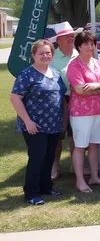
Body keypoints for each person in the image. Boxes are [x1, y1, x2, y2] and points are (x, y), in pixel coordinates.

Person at [10, 40, 66, 205]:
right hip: (34, 125)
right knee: (37, 157)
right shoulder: (27, 74)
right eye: (41, 53)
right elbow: (15, 98)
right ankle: (31, 193)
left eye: (48, 53)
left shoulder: (56, 74)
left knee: (49, 157)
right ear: (33, 55)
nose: (45, 56)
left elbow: (61, 98)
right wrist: (28, 121)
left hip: (53, 124)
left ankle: (46, 187)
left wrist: (63, 120)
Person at [66, 31, 100, 193]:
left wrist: (95, 86)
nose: (90, 46)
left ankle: (94, 176)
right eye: (86, 44)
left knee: (94, 145)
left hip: (99, 111)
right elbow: (79, 90)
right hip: (81, 113)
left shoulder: (97, 63)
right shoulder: (74, 65)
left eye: (92, 43)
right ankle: (80, 181)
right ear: (79, 46)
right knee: (80, 146)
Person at [48, 22, 80, 180]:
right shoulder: (52, 58)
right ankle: (55, 166)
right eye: (66, 36)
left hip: (78, 99)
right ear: (58, 39)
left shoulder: (80, 53)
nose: (70, 38)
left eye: (71, 36)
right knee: (57, 135)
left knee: (76, 135)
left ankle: (76, 165)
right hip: (58, 101)